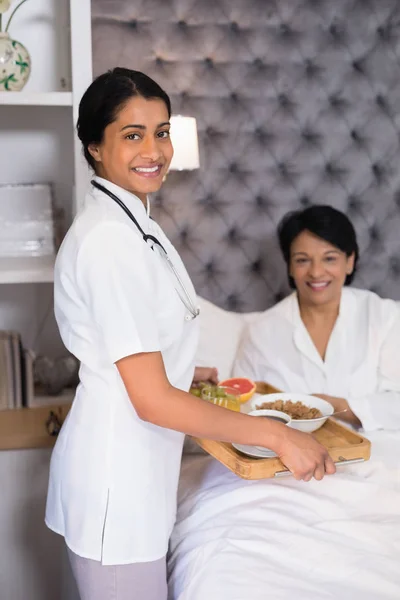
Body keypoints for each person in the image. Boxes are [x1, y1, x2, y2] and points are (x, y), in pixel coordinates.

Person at [44, 68, 335, 600]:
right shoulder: (110, 242)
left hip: (134, 475)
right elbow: (151, 400)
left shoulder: (136, 223)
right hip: (118, 484)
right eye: (132, 135)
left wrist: (182, 370)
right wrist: (277, 435)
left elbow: (136, 349)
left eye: (161, 130)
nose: (153, 149)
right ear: (94, 146)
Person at [234, 205, 400, 431]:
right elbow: (243, 412)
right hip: (288, 458)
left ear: (350, 261)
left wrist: (335, 406)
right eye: (303, 260)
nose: (316, 272)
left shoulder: (385, 316)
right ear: (290, 266)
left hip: (379, 453)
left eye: (329, 259)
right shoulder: (262, 331)